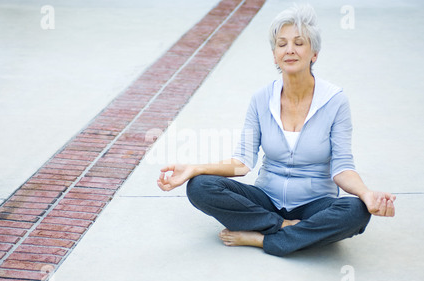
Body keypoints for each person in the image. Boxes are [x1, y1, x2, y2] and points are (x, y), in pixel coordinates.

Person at [157, 4, 395, 257]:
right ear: (274, 55)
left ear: (314, 53)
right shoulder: (261, 99)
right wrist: (196, 168)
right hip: (267, 201)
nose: (289, 50)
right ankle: (285, 228)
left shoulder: (335, 100)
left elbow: (342, 167)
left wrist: (366, 194)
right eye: (282, 44)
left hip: (315, 204)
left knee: (356, 212)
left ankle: (261, 239)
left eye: (299, 43)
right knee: (199, 187)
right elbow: (242, 162)